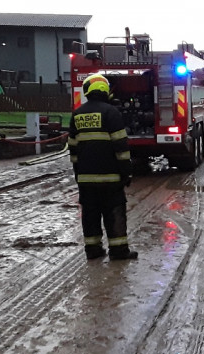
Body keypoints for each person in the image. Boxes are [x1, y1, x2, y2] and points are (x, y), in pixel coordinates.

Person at [68, 73, 137, 260]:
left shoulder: (77, 114)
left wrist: (78, 174)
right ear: (105, 90)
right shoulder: (111, 113)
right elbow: (121, 147)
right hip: (111, 179)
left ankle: (93, 250)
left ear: (87, 91)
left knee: (90, 215)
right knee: (114, 212)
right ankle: (119, 250)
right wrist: (126, 172)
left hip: (85, 179)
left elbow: (73, 148)